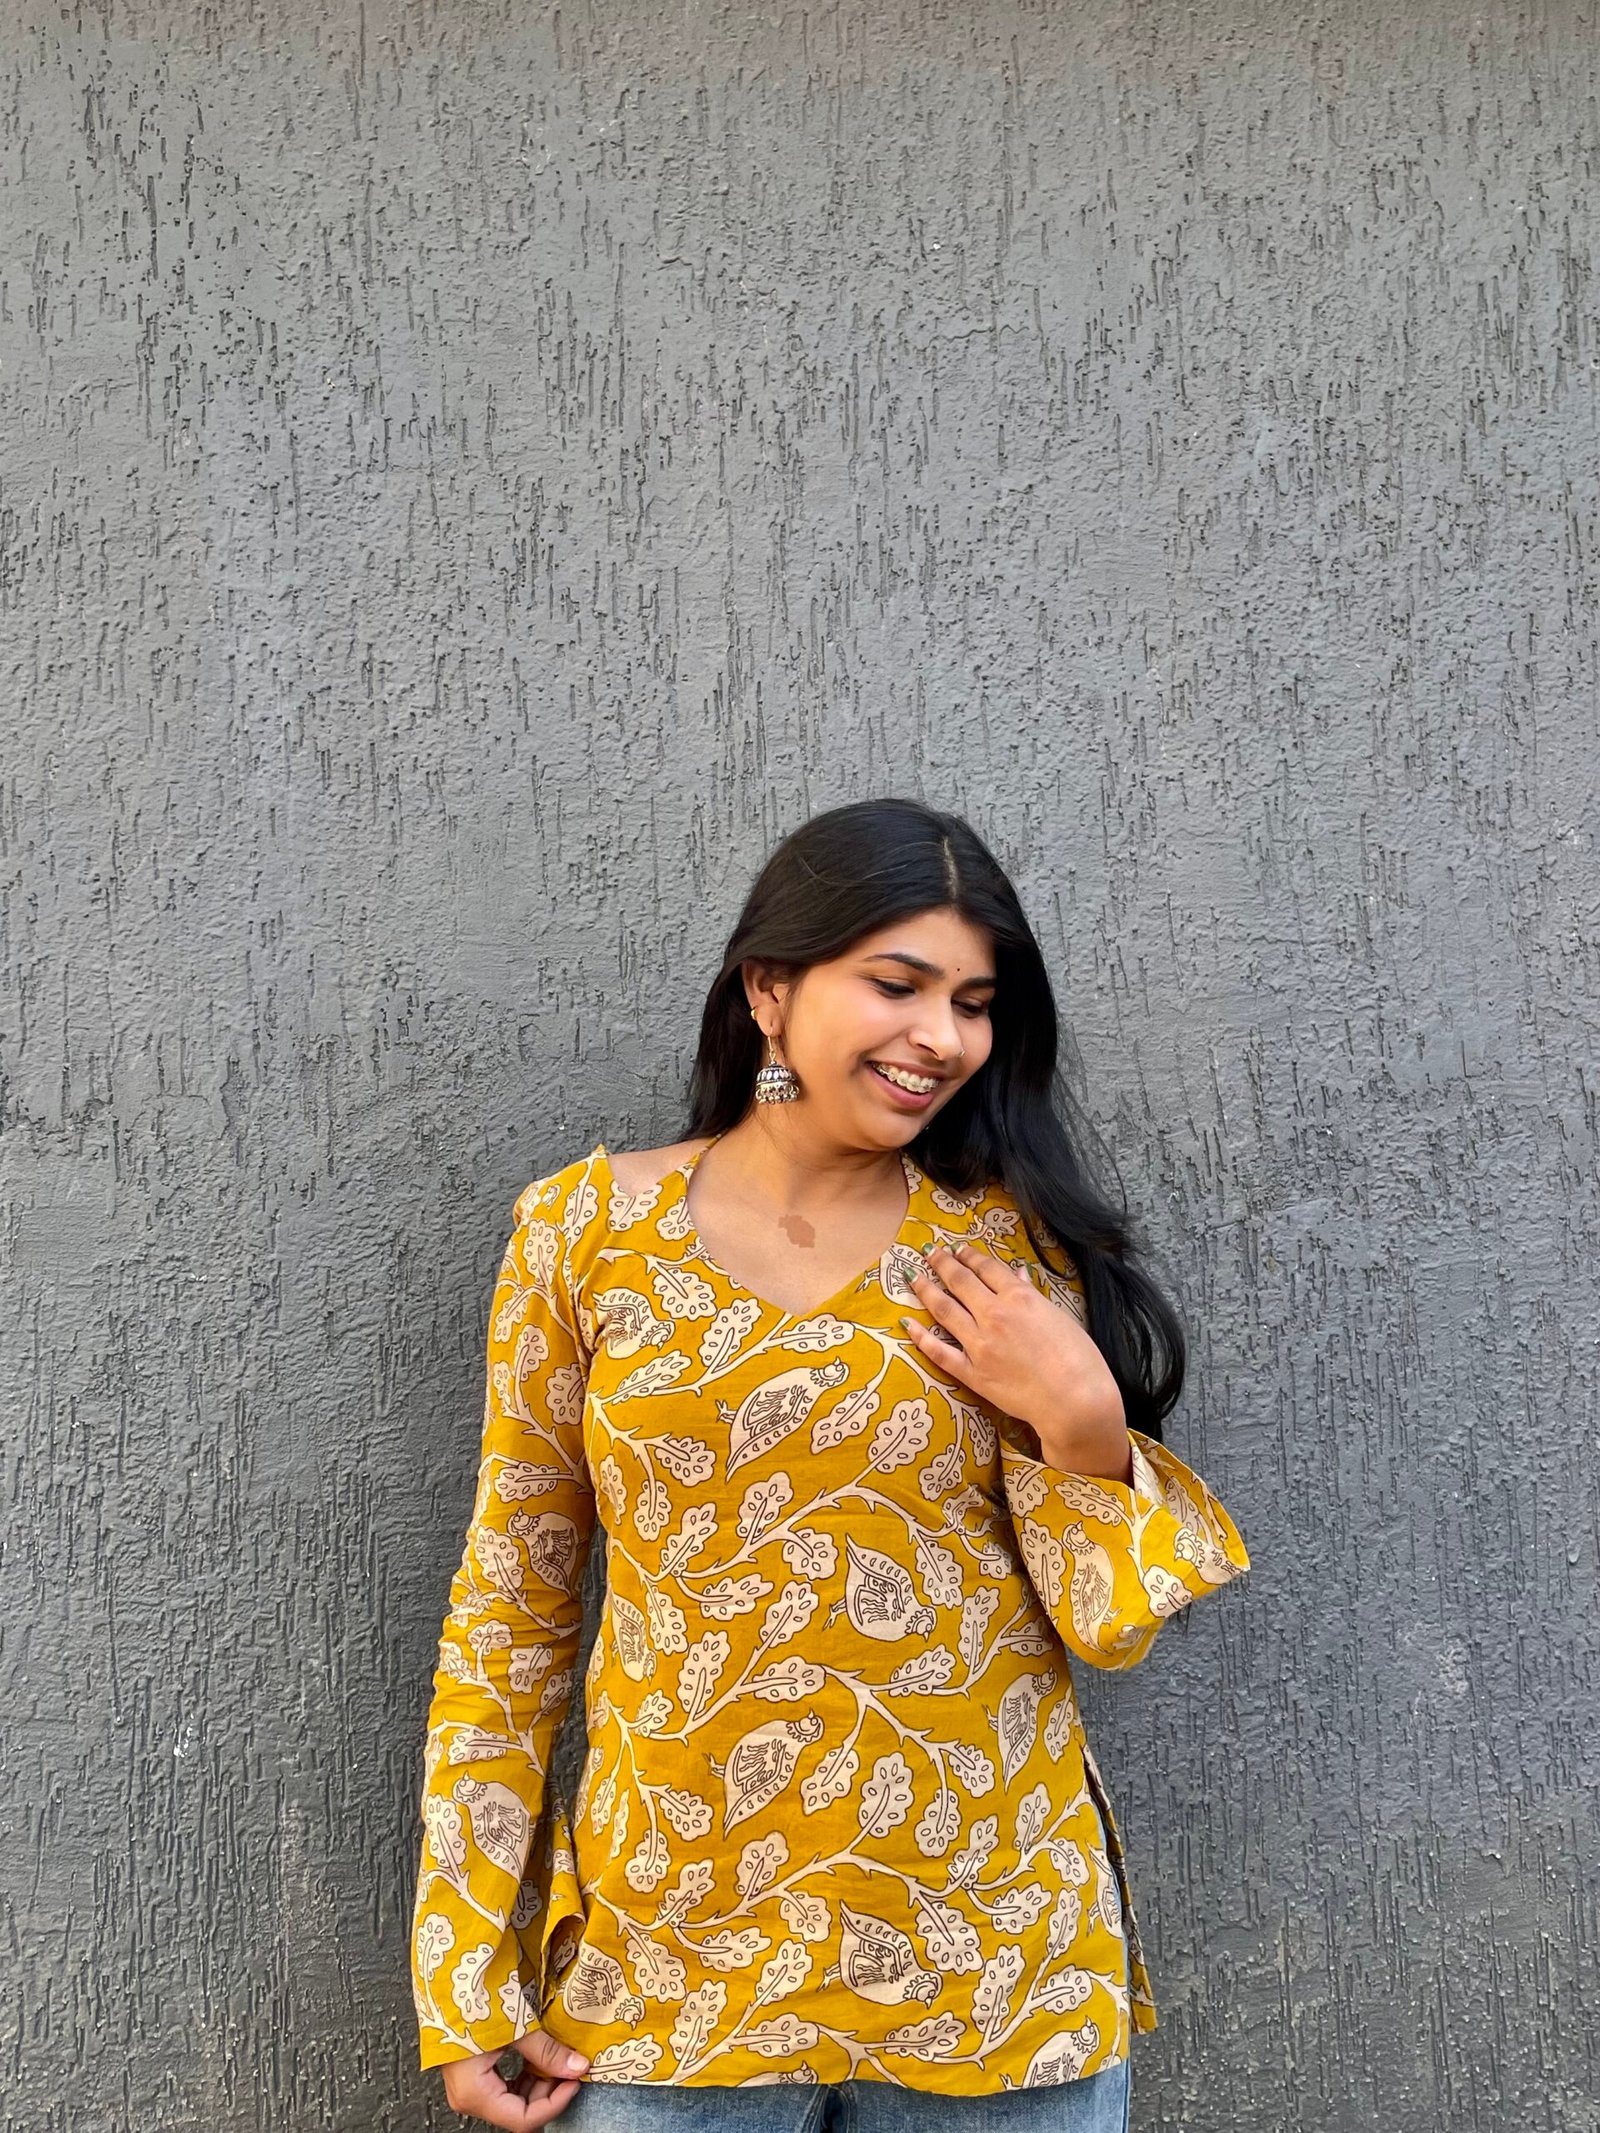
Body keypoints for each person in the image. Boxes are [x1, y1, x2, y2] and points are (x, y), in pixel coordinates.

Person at [409, 798, 1250, 2133]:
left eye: (974, 1003)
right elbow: (513, 1614)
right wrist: (466, 1975)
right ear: (769, 988)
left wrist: (1085, 1422)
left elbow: (1113, 1625)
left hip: (997, 1981)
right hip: (670, 1981)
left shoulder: (1006, 1249)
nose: (943, 1037)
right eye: (898, 985)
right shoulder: (584, 1234)